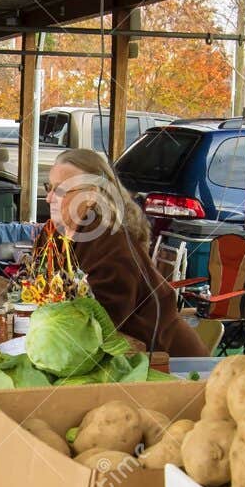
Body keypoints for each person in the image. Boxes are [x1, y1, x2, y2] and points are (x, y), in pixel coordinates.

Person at [47, 148, 208, 357]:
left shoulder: (109, 242)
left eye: (60, 190)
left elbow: (100, 321)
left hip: (169, 364)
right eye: (49, 188)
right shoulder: (76, 236)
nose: (49, 198)